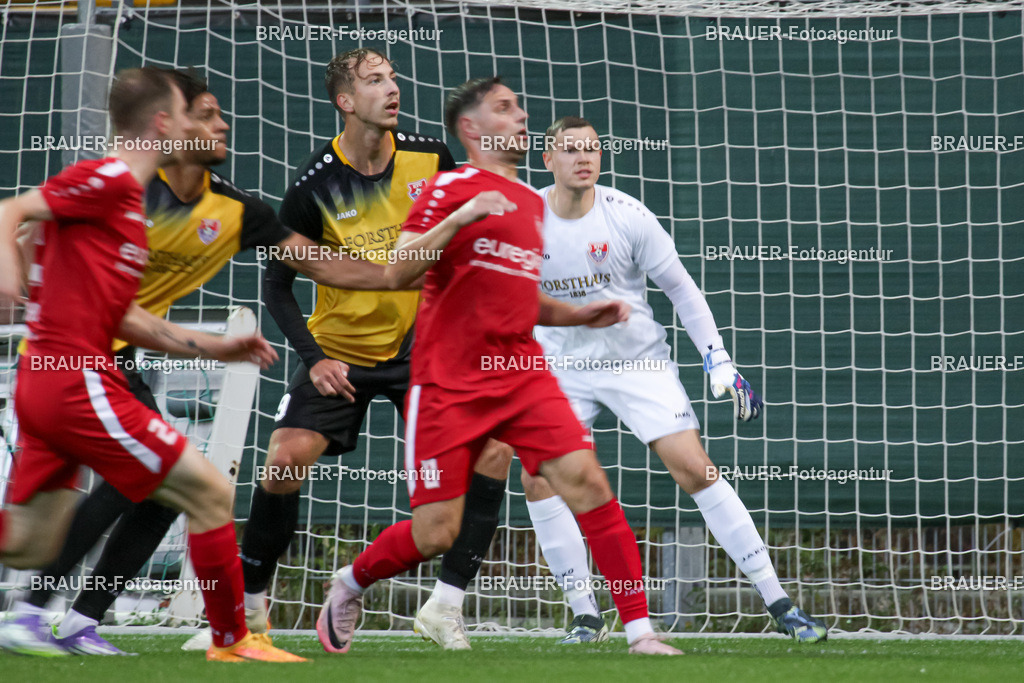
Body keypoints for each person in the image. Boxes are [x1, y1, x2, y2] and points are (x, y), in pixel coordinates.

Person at [3, 68, 405, 656]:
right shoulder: (119, 183)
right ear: (171, 122)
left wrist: (400, 272)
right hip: (76, 370)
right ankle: (224, 636)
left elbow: (316, 265)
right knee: (189, 487)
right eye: (208, 112)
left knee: (35, 541)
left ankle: (80, 618)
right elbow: (22, 221)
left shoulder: (230, 209)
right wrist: (20, 273)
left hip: (101, 366)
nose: (224, 123)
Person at [315, 76, 682, 656]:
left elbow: (520, 298)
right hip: (448, 383)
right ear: (472, 128)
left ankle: (639, 632)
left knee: (587, 482)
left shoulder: (534, 205)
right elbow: (397, 271)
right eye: (504, 108)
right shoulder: (450, 188)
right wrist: (461, 218)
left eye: (519, 106)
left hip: (521, 374)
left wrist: (579, 315)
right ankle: (350, 582)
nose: (519, 115)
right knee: (437, 533)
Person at [239, 49, 513, 651]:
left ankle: (446, 606)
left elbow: (462, 242)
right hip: (342, 351)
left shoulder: (430, 158)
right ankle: (250, 612)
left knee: (494, 450)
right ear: (344, 100)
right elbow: (277, 284)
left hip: (424, 350)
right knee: (283, 464)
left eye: (392, 76)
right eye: (374, 81)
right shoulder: (314, 185)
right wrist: (315, 359)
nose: (392, 87)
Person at [517, 117, 826, 644]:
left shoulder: (629, 216)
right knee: (538, 477)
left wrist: (718, 358)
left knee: (695, 469)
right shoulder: (526, 218)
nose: (582, 158)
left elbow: (681, 290)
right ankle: (585, 616)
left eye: (591, 148)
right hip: (562, 366)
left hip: (637, 363)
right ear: (548, 160)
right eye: (570, 150)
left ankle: (781, 605)